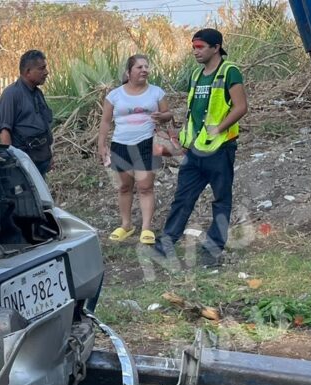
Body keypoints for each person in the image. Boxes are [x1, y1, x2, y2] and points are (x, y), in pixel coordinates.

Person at [155, 28, 247, 268]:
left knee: (221, 199)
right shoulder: (196, 75)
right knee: (182, 198)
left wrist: (219, 129)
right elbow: (194, 112)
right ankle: (166, 243)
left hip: (220, 149)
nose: (195, 51)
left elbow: (240, 107)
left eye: (200, 47)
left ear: (216, 48)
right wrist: (182, 138)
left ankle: (213, 248)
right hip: (195, 150)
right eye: (193, 47)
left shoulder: (229, 71)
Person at [97, 54, 172, 246]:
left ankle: (146, 228)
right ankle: (126, 225)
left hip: (147, 143)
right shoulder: (114, 95)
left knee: (145, 187)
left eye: (146, 66)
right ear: (128, 72)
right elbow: (105, 121)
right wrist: (101, 144)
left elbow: (168, 114)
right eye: (139, 67)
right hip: (120, 144)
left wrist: (162, 116)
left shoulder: (156, 92)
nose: (144, 70)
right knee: (124, 187)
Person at [0, 50, 54, 176]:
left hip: (40, 159)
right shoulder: (11, 94)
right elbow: (4, 132)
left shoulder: (37, 93)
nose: (46, 72)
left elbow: (44, 126)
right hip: (24, 163)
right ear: (28, 72)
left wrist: (49, 156)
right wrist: (12, 164)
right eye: (41, 68)